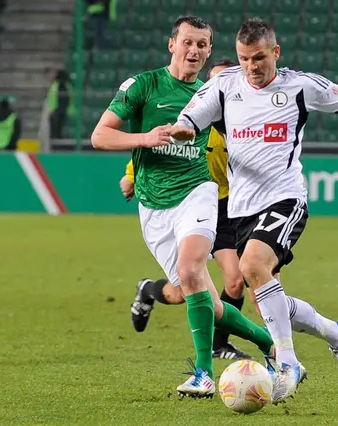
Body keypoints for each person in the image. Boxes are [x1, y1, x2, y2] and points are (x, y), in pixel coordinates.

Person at [169, 18, 338, 403]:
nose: (251, 67)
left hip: (285, 197)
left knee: (250, 268)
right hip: (242, 209)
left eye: (259, 58)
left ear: (275, 52)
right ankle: (337, 334)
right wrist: (181, 128)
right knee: (268, 297)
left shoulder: (299, 85)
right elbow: (191, 117)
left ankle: (287, 362)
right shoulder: (225, 85)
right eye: (244, 59)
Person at [90, 16, 275, 399]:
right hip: (154, 207)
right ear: (172, 44)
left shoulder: (213, 93)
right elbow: (99, 135)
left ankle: (203, 374)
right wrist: (145, 138)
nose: (195, 51)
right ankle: (269, 343)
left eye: (202, 45)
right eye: (188, 42)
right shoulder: (143, 85)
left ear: (209, 52)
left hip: (198, 191)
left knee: (191, 269)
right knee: (204, 296)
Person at [122, 58, 252, 361]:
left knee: (234, 280)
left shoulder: (243, 120)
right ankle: (150, 291)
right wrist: (130, 175)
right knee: (183, 291)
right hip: (194, 200)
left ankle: (219, 344)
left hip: (228, 204)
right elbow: (163, 149)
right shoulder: (195, 115)